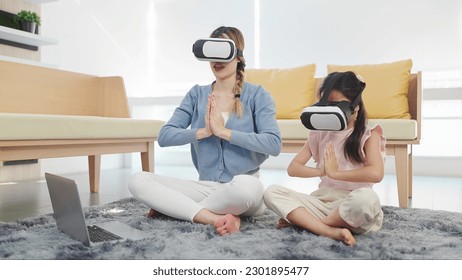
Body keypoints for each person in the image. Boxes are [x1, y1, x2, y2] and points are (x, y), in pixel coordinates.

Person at [129, 26, 281, 236]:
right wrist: (203, 132)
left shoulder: (257, 95)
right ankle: (216, 217)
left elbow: (273, 144)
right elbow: (164, 137)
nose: (217, 60)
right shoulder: (196, 95)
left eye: (223, 52)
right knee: (138, 180)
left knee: (247, 187)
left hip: (242, 189)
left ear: (238, 56)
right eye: (212, 53)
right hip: (206, 186)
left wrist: (224, 132)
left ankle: (176, 209)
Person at [264, 71, 385, 246]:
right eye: (325, 105)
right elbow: (293, 168)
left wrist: (335, 173)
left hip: (352, 205)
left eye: (335, 105)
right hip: (322, 203)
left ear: (355, 106)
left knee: (367, 200)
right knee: (271, 192)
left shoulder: (368, 134)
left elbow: (376, 173)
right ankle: (329, 230)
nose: (329, 111)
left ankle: (310, 224)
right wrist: (321, 171)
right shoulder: (320, 133)